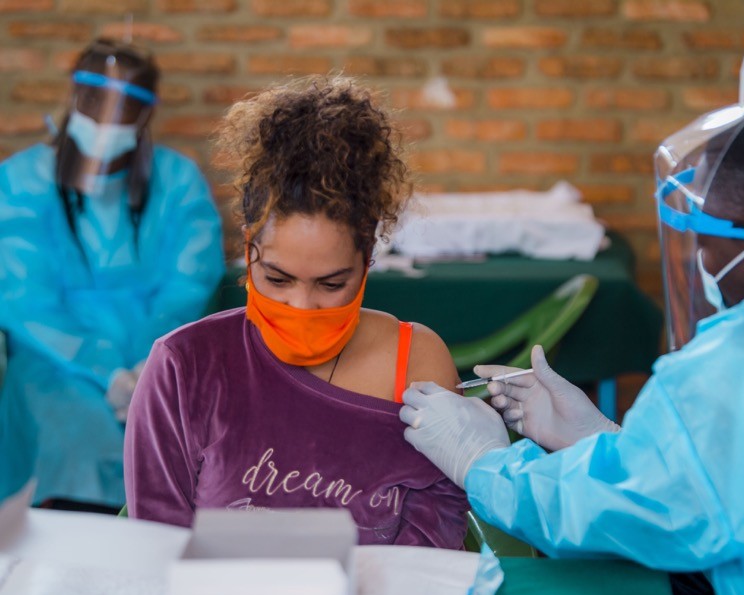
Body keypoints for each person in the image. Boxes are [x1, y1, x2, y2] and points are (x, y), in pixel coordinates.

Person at [399, 99, 744, 595]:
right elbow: (728, 485)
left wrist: (484, 463)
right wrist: (604, 441)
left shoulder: (734, 368)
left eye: (706, 242)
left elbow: (606, 517)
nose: (701, 259)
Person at [124, 76, 469, 548]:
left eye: (331, 284)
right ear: (248, 250)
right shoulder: (185, 368)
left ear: (367, 259)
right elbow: (157, 551)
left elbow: (430, 558)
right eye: (278, 279)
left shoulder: (417, 364)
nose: (301, 308)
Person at [0, 38, 224, 511]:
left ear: (144, 116)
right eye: (97, 103)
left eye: (123, 108)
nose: (106, 121)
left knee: (198, 455)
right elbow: (24, 296)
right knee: (79, 451)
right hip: (54, 368)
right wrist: (105, 370)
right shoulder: (21, 181)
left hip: (163, 364)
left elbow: (190, 281)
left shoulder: (177, 180)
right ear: (75, 99)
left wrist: (153, 364)